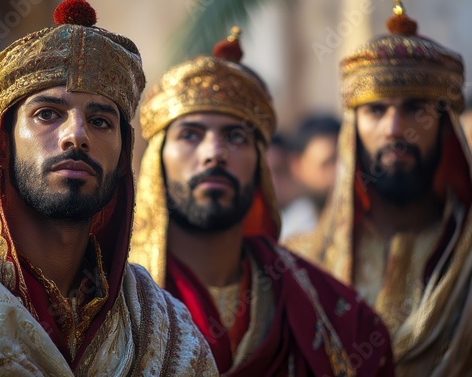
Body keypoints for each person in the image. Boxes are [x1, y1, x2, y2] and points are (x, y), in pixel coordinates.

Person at [130, 26, 394, 376]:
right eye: (190, 135)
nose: (214, 153)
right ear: (156, 161)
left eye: (235, 136)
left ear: (261, 165)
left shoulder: (331, 312)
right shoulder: (115, 301)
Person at [0, 1, 217, 375]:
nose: (76, 136)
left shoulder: (169, 332)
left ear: (122, 158)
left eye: (100, 121)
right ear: (4, 145)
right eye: (47, 114)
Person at [287, 2, 472, 376]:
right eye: (375, 111)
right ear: (352, 131)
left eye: (414, 108)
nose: (393, 129)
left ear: (445, 127)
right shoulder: (300, 264)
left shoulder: (465, 258)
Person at [281, 113, 340, 240]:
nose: (339, 173)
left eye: (344, 162)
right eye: (327, 163)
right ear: (297, 166)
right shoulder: (289, 234)